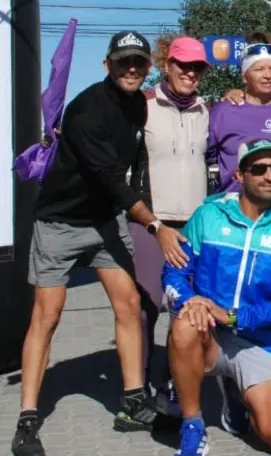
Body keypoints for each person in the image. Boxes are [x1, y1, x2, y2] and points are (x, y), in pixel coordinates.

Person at [12, 31, 184, 456]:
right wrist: (156, 225)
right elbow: (110, 178)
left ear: (147, 68)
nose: (131, 69)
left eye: (139, 63)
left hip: (105, 221)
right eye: (123, 61)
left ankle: (132, 402)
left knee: (128, 304)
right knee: (47, 317)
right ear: (107, 65)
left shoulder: (137, 103)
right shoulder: (88, 110)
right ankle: (27, 419)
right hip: (60, 222)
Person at [163, 138, 271, 456]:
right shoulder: (207, 216)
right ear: (240, 176)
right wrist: (191, 300)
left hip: (257, 342)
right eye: (259, 168)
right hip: (208, 334)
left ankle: (238, 392)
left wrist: (232, 315)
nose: (269, 176)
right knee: (186, 324)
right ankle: (193, 426)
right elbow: (174, 272)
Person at [135, 36, 211, 415]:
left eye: (197, 67)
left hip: (193, 227)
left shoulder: (206, 109)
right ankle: (136, 393)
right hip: (151, 222)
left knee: (184, 308)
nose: (190, 73)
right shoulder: (143, 106)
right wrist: (150, 222)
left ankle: (173, 387)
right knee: (145, 307)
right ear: (167, 65)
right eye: (183, 65)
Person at [207, 39, 271, 201]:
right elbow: (209, 157)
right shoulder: (225, 111)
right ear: (244, 77)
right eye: (259, 69)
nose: (268, 75)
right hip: (238, 209)